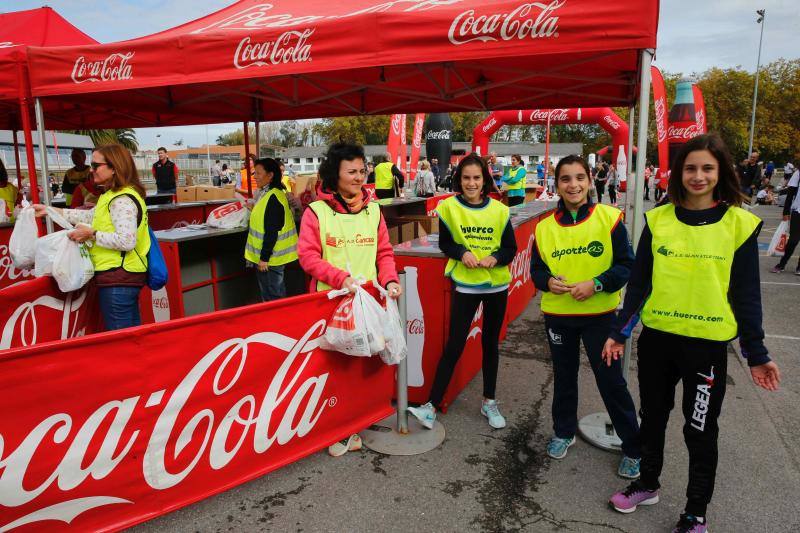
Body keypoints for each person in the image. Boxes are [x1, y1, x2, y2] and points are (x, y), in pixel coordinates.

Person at [606, 134, 780, 533]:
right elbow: (639, 284)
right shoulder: (659, 219)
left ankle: (695, 511)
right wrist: (619, 331)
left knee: (699, 429)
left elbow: (747, 295)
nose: (698, 176)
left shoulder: (738, 223)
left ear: (720, 173)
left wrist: (756, 353)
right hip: (658, 342)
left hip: (706, 349)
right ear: (678, 173)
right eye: (690, 168)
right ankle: (647, 484)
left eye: (707, 168)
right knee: (651, 419)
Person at [530, 154, 641, 477]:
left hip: (601, 315)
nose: (573, 185)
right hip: (559, 316)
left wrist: (596, 284)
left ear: (590, 181)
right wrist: (546, 281)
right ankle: (563, 433)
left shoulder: (609, 218)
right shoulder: (544, 227)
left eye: (579, 177)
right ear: (557, 184)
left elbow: (626, 265)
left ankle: (633, 447)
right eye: (565, 179)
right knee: (564, 378)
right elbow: (537, 270)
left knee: (610, 381)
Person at [297, 142, 402, 457]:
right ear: (335, 174)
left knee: (362, 366)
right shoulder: (317, 211)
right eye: (352, 171)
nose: (359, 177)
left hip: (368, 302)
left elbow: (383, 252)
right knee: (333, 370)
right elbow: (307, 256)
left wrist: (391, 280)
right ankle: (334, 429)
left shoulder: (373, 209)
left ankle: (354, 425)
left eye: (362, 170)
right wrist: (339, 278)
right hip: (329, 302)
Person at [408, 153, 517, 430]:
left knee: (490, 345)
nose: (471, 183)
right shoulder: (448, 208)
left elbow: (510, 249)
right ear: (459, 179)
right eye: (466, 178)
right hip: (466, 286)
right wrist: (462, 252)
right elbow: (446, 243)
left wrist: (495, 258)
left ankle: (489, 401)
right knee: (454, 344)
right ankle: (431, 406)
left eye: (476, 178)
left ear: (485, 180)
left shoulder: (500, 210)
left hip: (496, 285)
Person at [33, 144, 151, 330]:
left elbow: (126, 241)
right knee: (130, 336)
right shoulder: (112, 195)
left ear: (114, 168)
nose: (91, 170)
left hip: (118, 277)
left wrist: (92, 234)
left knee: (121, 340)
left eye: (96, 166)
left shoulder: (121, 200)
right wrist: (49, 210)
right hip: (120, 277)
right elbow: (88, 216)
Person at [244, 158, 298, 302]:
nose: (254, 176)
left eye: (258, 173)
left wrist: (264, 258)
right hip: (270, 259)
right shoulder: (269, 193)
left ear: (270, 175)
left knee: (273, 297)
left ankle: (280, 323)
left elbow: (271, 230)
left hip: (271, 260)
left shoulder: (273, 197)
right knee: (272, 295)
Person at [771, 165, 800, 274]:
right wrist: (786, 211)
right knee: (793, 240)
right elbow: (790, 193)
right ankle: (782, 264)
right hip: (798, 211)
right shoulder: (798, 173)